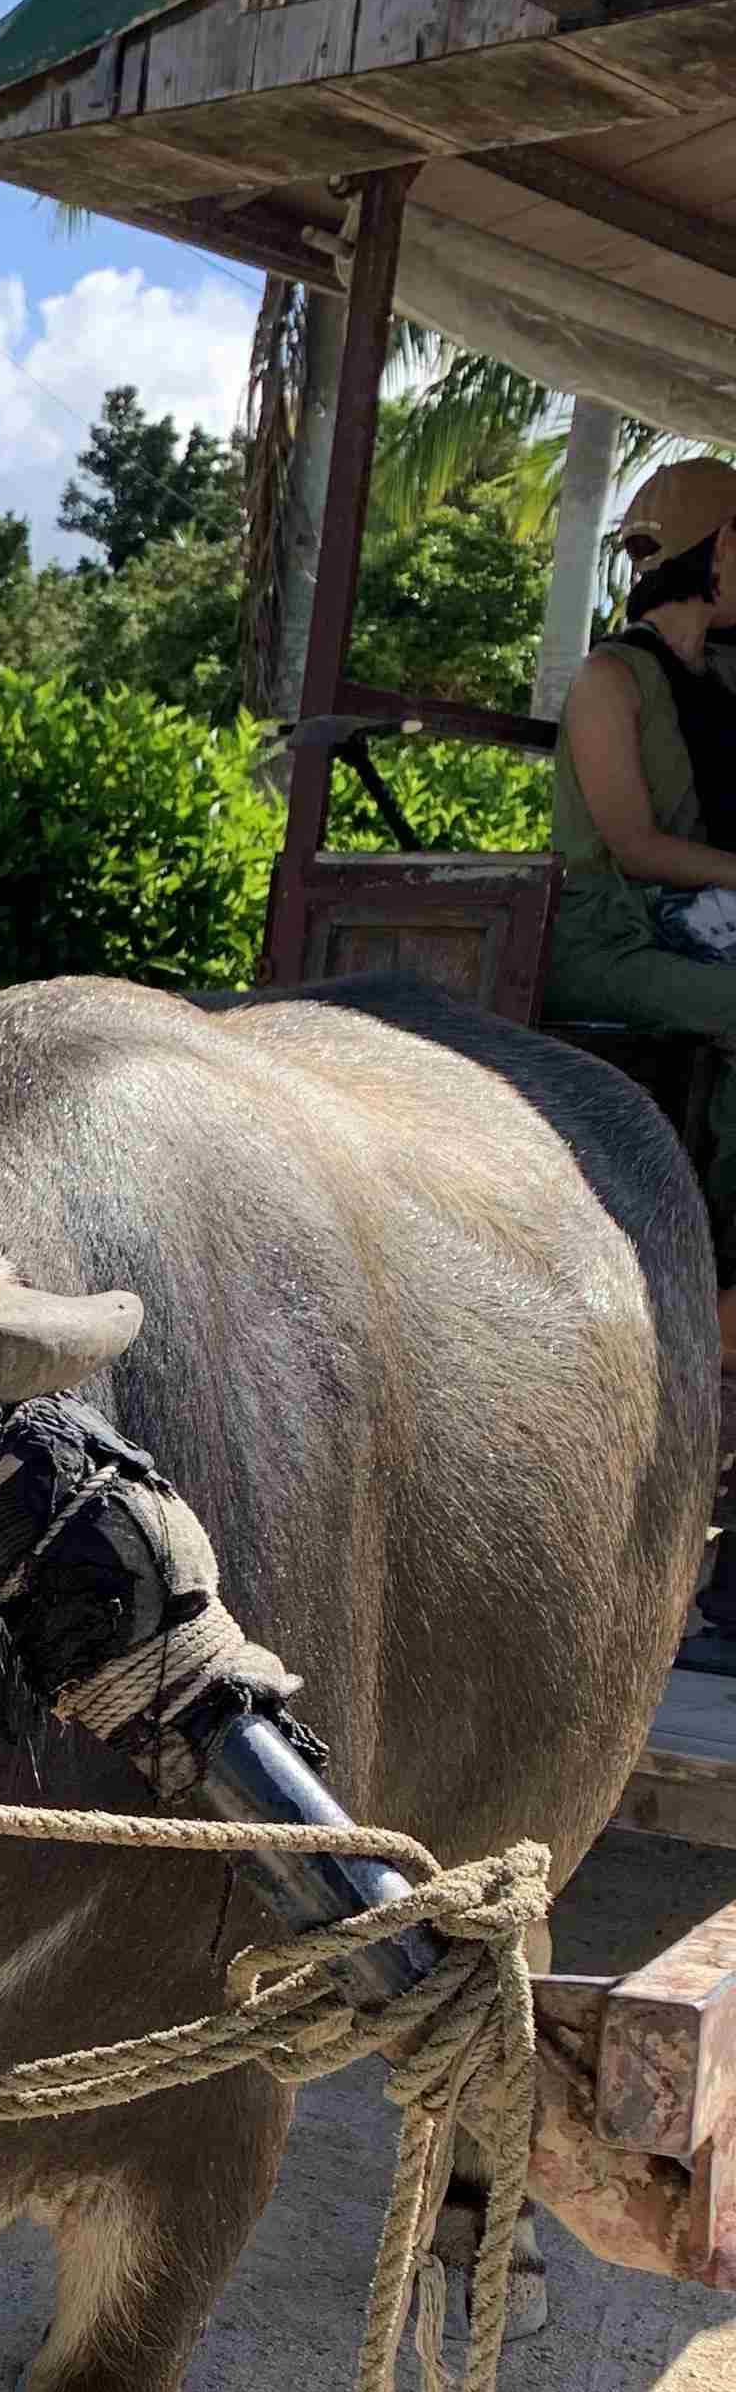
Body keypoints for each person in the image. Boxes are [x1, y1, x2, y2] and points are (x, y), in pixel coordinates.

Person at [551, 457, 736, 1657]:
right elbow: (630, 841)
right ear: (713, 552)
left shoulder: (720, 684)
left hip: (705, 939)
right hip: (609, 935)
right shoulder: (608, 683)